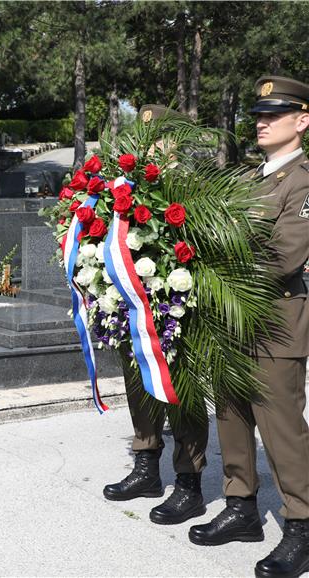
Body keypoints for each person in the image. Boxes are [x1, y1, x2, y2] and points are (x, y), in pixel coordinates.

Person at [188, 76, 309, 578]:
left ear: (302, 121)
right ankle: (241, 508)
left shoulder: (303, 181)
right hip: (232, 318)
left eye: (273, 115)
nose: (261, 122)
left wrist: (213, 270)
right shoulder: (250, 180)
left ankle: (302, 525)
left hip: (275, 320)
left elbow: (284, 256)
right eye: (259, 115)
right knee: (233, 419)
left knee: (282, 429)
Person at [102, 105, 209, 526]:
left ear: (175, 140)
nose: (151, 146)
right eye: (145, 138)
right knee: (138, 382)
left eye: (159, 137)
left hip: (177, 306)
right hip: (134, 303)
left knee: (181, 388)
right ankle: (146, 467)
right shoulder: (127, 185)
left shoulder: (193, 185)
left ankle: (189, 483)